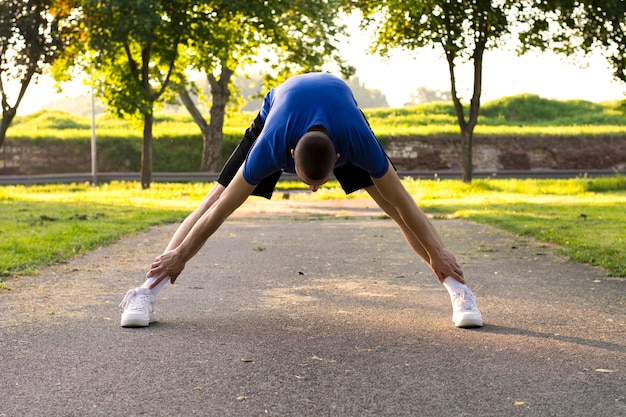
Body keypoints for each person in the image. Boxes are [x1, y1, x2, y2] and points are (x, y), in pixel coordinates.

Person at [119, 72, 483, 328]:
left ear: (340, 159)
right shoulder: (270, 146)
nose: (313, 190)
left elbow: (404, 202)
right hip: (276, 113)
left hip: (341, 112)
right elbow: (221, 213)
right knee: (211, 202)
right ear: (289, 155)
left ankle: (459, 292)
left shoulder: (356, 140)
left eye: (319, 184)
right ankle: (146, 292)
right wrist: (180, 257)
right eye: (308, 182)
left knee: (392, 208)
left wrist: (437, 252)